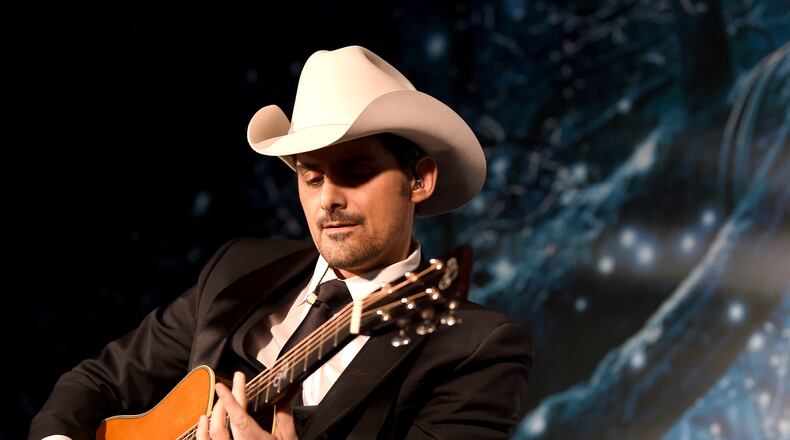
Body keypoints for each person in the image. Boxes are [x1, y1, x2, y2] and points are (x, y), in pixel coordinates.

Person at [30, 45, 532, 440]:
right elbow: (97, 383)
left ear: (419, 180)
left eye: (355, 174)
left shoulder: (478, 349)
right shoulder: (238, 271)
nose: (328, 200)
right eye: (312, 178)